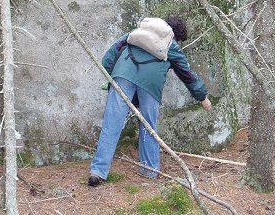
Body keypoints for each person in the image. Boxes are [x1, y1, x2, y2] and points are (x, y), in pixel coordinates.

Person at [88, 17, 212, 186]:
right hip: (150, 84)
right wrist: (202, 97)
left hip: (122, 75)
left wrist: (110, 75)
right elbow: (187, 74)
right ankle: (150, 170)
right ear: (177, 36)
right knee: (148, 125)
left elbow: (112, 52)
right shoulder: (172, 45)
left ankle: (97, 171)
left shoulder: (139, 32)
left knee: (112, 122)